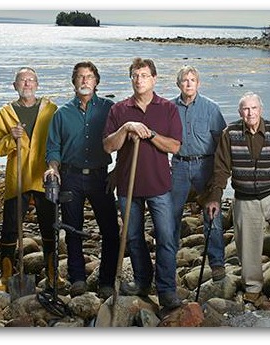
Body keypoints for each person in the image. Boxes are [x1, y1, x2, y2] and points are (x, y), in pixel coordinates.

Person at [204, 92, 270, 313]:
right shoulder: (229, 134)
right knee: (247, 245)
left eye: (254, 108)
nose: (250, 113)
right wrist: (215, 197)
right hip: (245, 198)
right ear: (240, 112)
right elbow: (221, 169)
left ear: (261, 109)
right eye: (246, 109)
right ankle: (253, 289)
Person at [102, 57, 184, 311]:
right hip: (128, 186)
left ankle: (167, 289)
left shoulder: (167, 108)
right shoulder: (119, 110)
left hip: (159, 185)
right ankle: (142, 281)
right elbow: (108, 146)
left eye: (144, 75)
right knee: (134, 238)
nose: (139, 80)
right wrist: (127, 128)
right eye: (135, 75)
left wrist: (151, 134)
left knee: (166, 238)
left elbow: (175, 146)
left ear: (154, 79)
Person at [44, 61, 120, 299]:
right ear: (74, 81)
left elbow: (124, 145)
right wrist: (52, 169)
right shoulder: (62, 114)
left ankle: (107, 280)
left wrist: (118, 172)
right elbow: (53, 149)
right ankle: (77, 279)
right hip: (70, 178)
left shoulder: (110, 109)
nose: (85, 80)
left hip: (101, 178)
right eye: (80, 77)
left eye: (89, 77)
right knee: (72, 229)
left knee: (110, 230)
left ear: (97, 81)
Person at [0, 67, 59, 293]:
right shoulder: (5, 114)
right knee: (10, 228)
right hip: (17, 178)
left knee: (50, 227)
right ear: (15, 86)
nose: (27, 84)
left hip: (44, 178)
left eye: (31, 80)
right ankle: (6, 274)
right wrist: (11, 138)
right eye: (22, 80)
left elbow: (60, 141)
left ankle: (53, 274)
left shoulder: (51, 111)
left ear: (37, 85)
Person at [169, 65, 228, 282]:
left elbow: (222, 142)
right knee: (172, 212)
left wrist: (220, 171)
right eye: (184, 80)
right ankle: (169, 257)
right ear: (178, 84)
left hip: (205, 165)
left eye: (192, 80)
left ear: (198, 83)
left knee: (212, 212)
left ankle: (217, 262)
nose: (188, 84)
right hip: (179, 165)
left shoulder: (211, 108)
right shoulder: (169, 108)